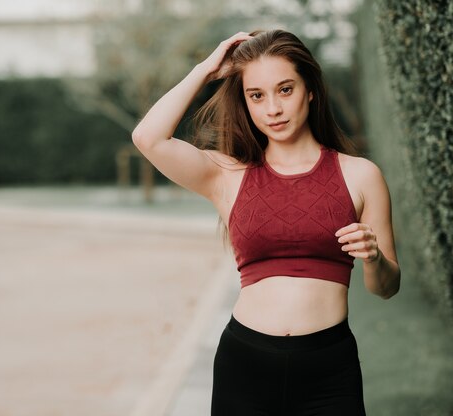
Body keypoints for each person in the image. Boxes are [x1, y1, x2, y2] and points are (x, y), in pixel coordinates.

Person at [131, 29, 401, 415]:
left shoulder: (360, 175)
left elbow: (386, 288)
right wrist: (206, 70)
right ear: (245, 102)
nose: (272, 108)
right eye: (256, 95)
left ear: (311, 89)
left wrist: (373, 257)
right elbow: (148, 137)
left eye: (285, 89)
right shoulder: (227, 174)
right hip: (245, 367)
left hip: (329, 370)